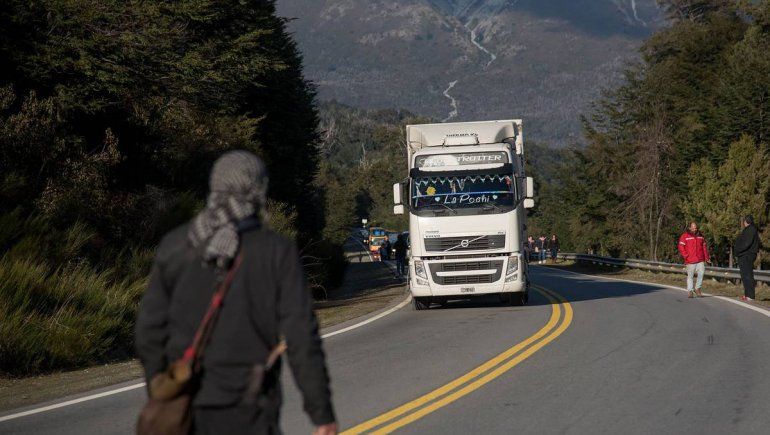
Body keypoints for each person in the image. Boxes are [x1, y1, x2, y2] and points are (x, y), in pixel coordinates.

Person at [135, 151, 337, 435]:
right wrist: (322, 414)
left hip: (186, 407)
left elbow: (148, 332)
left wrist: (162, 388)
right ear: (259, 190)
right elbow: (301, 337)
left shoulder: (177, 245)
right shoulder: (276, 251)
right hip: (251, 407)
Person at [677, 222, 710, 298]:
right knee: (690, 276)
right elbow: (681, 247)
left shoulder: (701, 236)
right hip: (690, 260)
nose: (694, 229)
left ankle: (697, 288)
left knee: (701, 273)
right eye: (693, 228)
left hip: (700, 259)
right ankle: (690, 291)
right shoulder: (684, 236)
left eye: (695, 228)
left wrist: (707, 258)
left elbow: (704, 248)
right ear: (689, 228)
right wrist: (686, 256)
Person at [735, 215, 760, 302]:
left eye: (744, 221)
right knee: (745, 275)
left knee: (747, 274)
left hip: (747, 255)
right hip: (745, 254)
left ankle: (750, 295)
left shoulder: (751, 230)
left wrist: (738, 250)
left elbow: (746, 243)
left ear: (746, 221)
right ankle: (747, 294)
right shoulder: (750, 229)